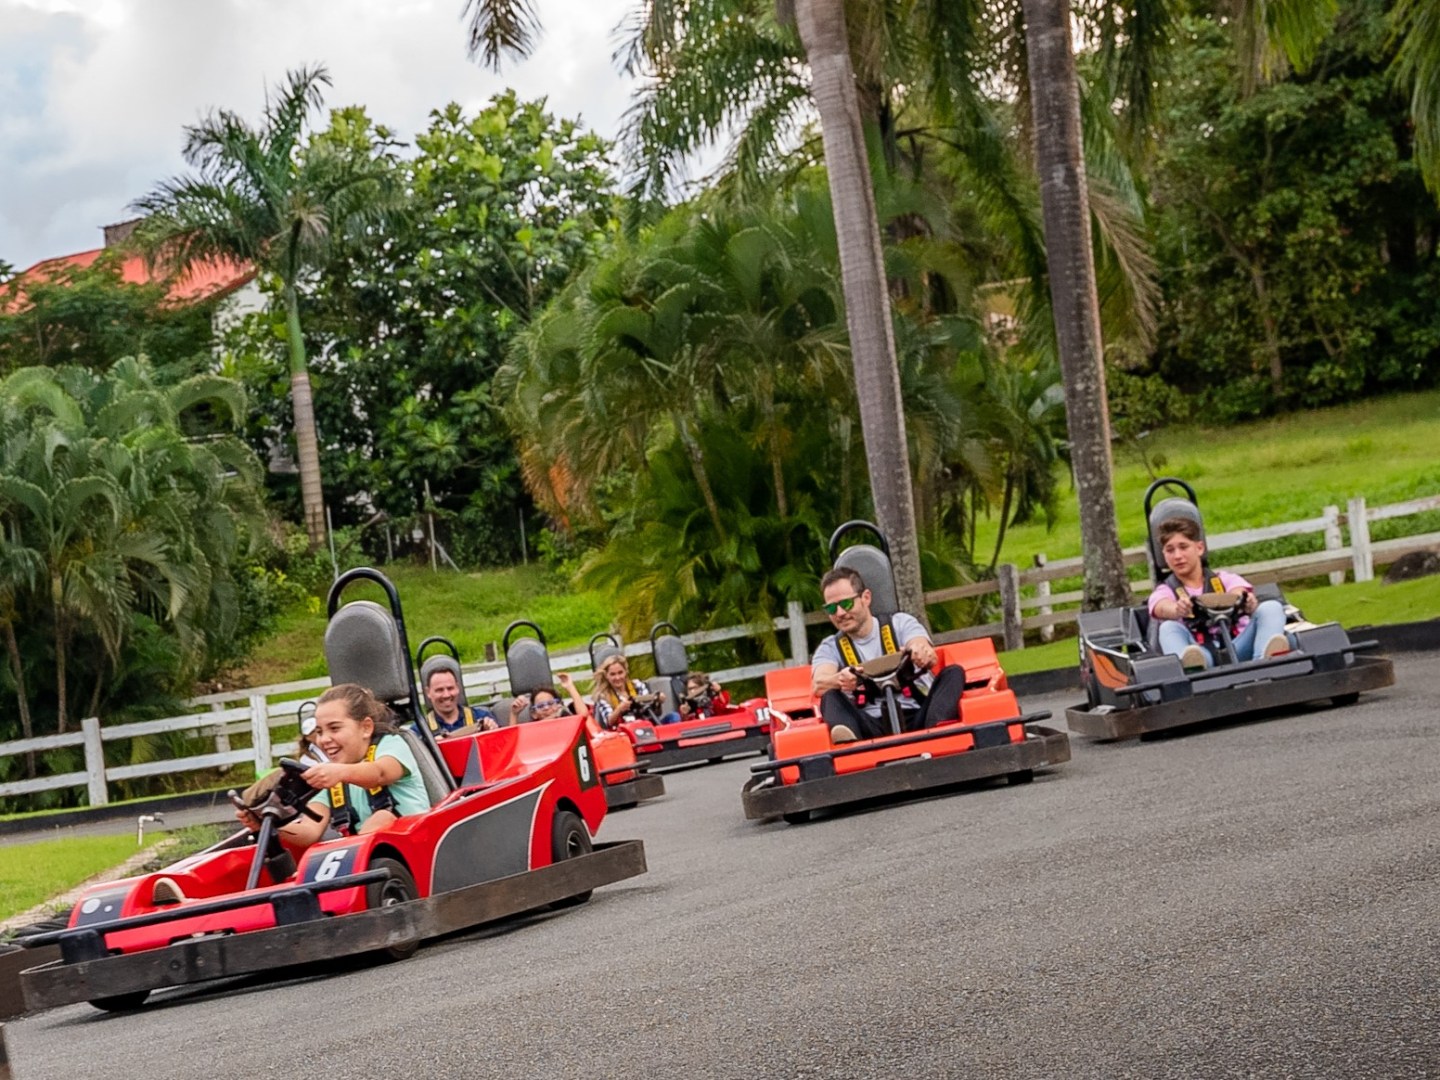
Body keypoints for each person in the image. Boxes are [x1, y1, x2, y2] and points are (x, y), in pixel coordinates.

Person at [235, 683, 431, 847]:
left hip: (418, 843)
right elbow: (309, 831)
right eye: (319, 732)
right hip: (371, 861)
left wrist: (338, 772)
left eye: (334, 728)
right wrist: (268, 824)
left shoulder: (391, 745)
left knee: (382, 817)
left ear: (365, 728)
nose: (324, 739)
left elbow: (379, 773)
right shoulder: (330, 774)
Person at [810, 567, 965, 743]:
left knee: (954, 673)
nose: (840, 613)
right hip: (868, 726)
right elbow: (819, 683)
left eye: (846, 604)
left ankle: (940, 730)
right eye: (831, 608)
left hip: (918, 715)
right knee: (829, 696)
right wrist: (840, 679)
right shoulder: (830, 647)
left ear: (865, 598)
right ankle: (849, 743)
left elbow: (920, 643)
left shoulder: (900, 623)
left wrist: (919, 652)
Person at [1148, 517, 1290, 670]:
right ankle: (1192, 668)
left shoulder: (1224, 579)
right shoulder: (1165, 590)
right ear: (1164, 555)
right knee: (1168, 627)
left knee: (1271, 607)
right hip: (1201, 653)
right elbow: (1161, 606)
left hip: (1238, 646)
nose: (1177, 556)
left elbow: (1239, 591)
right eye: (1170, 550)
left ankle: (1265, 661)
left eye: (1183, 547)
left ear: (1199, 548)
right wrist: (1178, 609)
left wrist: (1245, 601)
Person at [592, 653, 679, 727]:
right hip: (624, 732)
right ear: (607, 676)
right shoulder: (603, 696)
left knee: (674, 716)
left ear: (626, 672)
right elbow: (609, 722)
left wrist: (658, 699)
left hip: (646, 724)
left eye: (620, 673)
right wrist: (619, 709)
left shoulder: (637, 685)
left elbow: (651, 708)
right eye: (613, 674)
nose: (617, 677)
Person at [422, 666, 498, 737]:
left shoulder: (482, 717)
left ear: (458, 688)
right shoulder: (419, 731)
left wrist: (493, 731)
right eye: (439, 690)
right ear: (428, 692)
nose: (446, 695)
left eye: (450, 688)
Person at [510, 671, 589, 724]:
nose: (546, 708)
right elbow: (513, 739)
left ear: (559, 705)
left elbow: (584, 716)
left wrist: (570, 686)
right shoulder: (533, 728)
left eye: (550, 703)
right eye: (541, 706)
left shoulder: (567, 720)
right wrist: (514, 714)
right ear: (534, 714)